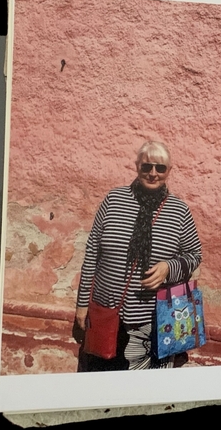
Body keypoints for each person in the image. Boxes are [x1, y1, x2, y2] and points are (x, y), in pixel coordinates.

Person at [75, 141, 202, 371]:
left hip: (151, 322)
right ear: (137, 167)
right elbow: (92, 252)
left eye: (160, 168)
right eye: (147, 167)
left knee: (138, 391)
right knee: (100, 382)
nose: (153, 174)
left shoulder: (179, 211)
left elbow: (194, 255)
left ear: (169, 171)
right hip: (106, 314)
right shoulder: (114, 200)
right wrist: (82, 305)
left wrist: (168, 268)